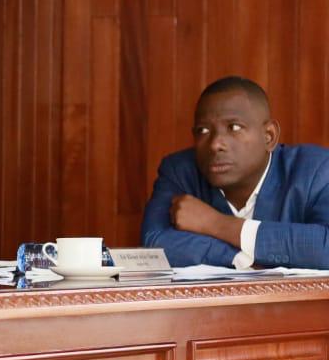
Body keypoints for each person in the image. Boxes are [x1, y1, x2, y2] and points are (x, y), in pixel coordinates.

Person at [141, 76, 329, 268]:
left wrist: (216, 224)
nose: (215, 144)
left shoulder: (317, 170)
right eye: (203, 130)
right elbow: (155, 242)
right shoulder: (179, 171)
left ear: (269, 136)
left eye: (234, 127)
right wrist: (241, 259)